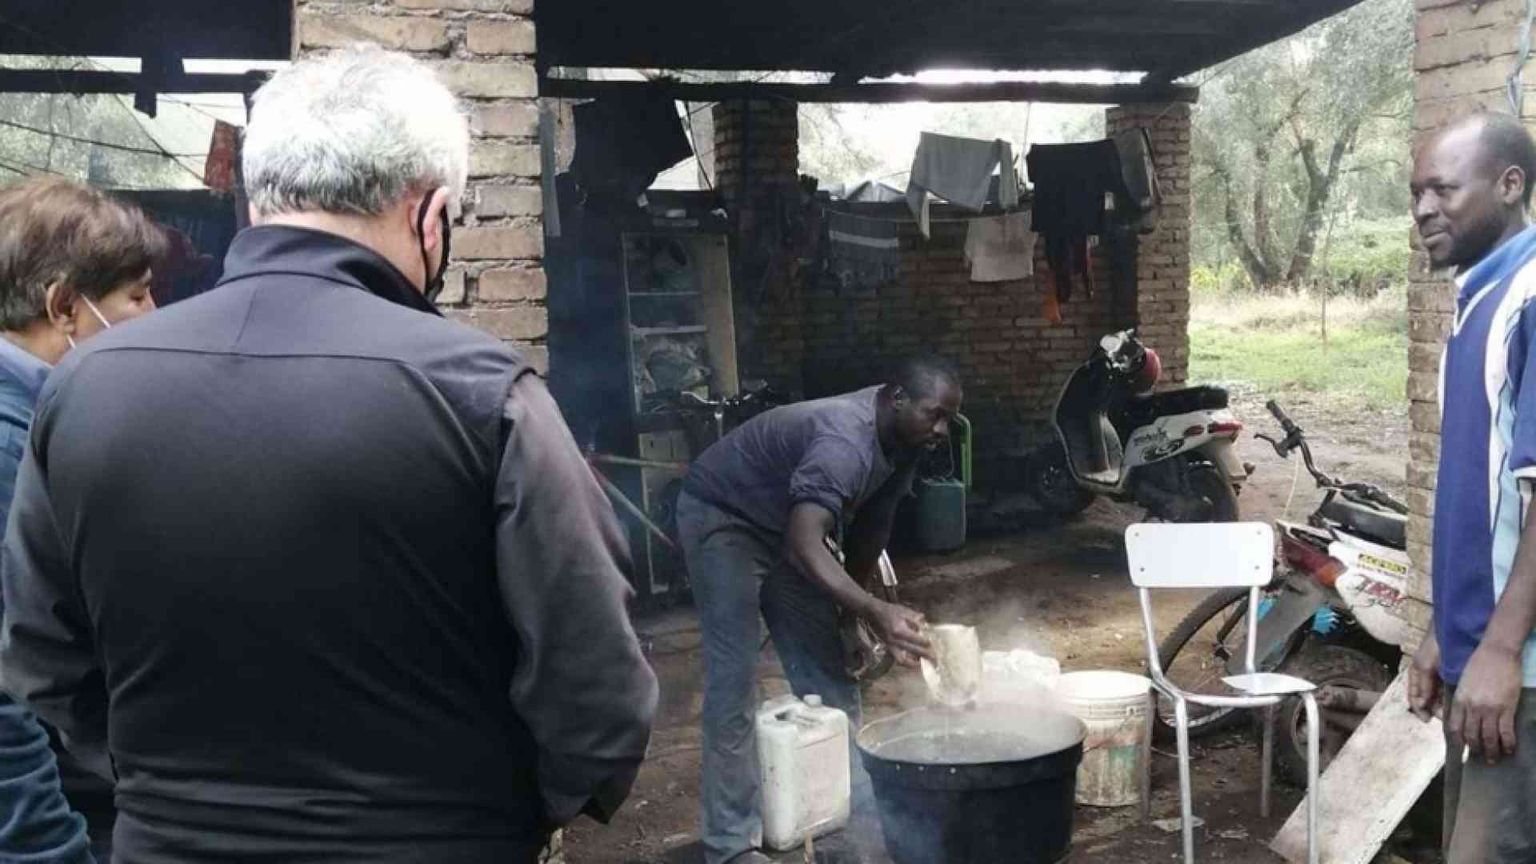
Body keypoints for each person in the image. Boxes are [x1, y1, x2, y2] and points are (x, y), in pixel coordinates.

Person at [0, 47, 657, 863]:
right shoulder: (486, 395)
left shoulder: (79, 390)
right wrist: (502, 811)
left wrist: (168, 789)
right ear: (430, 213)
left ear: (254, 197)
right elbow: (600, 703)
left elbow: (42, 663)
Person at [678, 358, 962, 864]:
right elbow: (805, 543)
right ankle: (729, 845)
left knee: (831, 669)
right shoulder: (844, 442)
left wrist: (849, 616)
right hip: (725, 518)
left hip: (787, 529)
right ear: (896, 397)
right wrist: (875, 608)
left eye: (948, 419)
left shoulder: (905, 442)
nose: (940, 429)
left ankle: (850, 808)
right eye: (933, 414)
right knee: (734, 680)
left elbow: (873, 528)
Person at [0, 176, 163, 863]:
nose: (157, 313)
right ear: (65, 307)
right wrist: (51, 851)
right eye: (138, 294)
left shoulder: (45, 420)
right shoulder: (10, 444)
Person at [1406, 112, 1536, 863]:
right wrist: (1442, 631)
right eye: (1416, 193)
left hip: (1518, 668)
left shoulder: (1529, 297)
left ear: (1509, 185)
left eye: (1443, 190)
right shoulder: (1478, 299)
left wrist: (1500, 647)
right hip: (1484, 651)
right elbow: (1477, 498)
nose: (1423, 210)